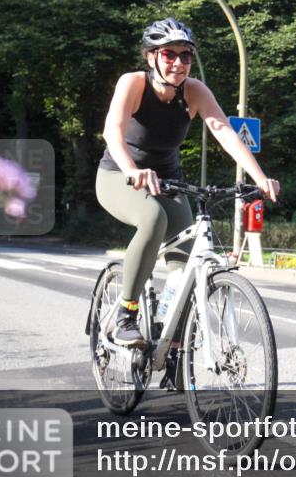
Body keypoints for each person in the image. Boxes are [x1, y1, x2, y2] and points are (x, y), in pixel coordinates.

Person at [96, 18, 279, 346]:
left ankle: (171, 335)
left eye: (186, 56)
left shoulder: (195, 91)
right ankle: (126, 314)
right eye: (169, 54)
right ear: (151, 56)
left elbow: (223, 131)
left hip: (168, 182)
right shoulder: (133, 83)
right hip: (117, 175)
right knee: (153, 219)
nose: (179, 63)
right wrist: (131, 170)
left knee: (185, 263)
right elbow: (113, 131)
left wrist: (260, 177)